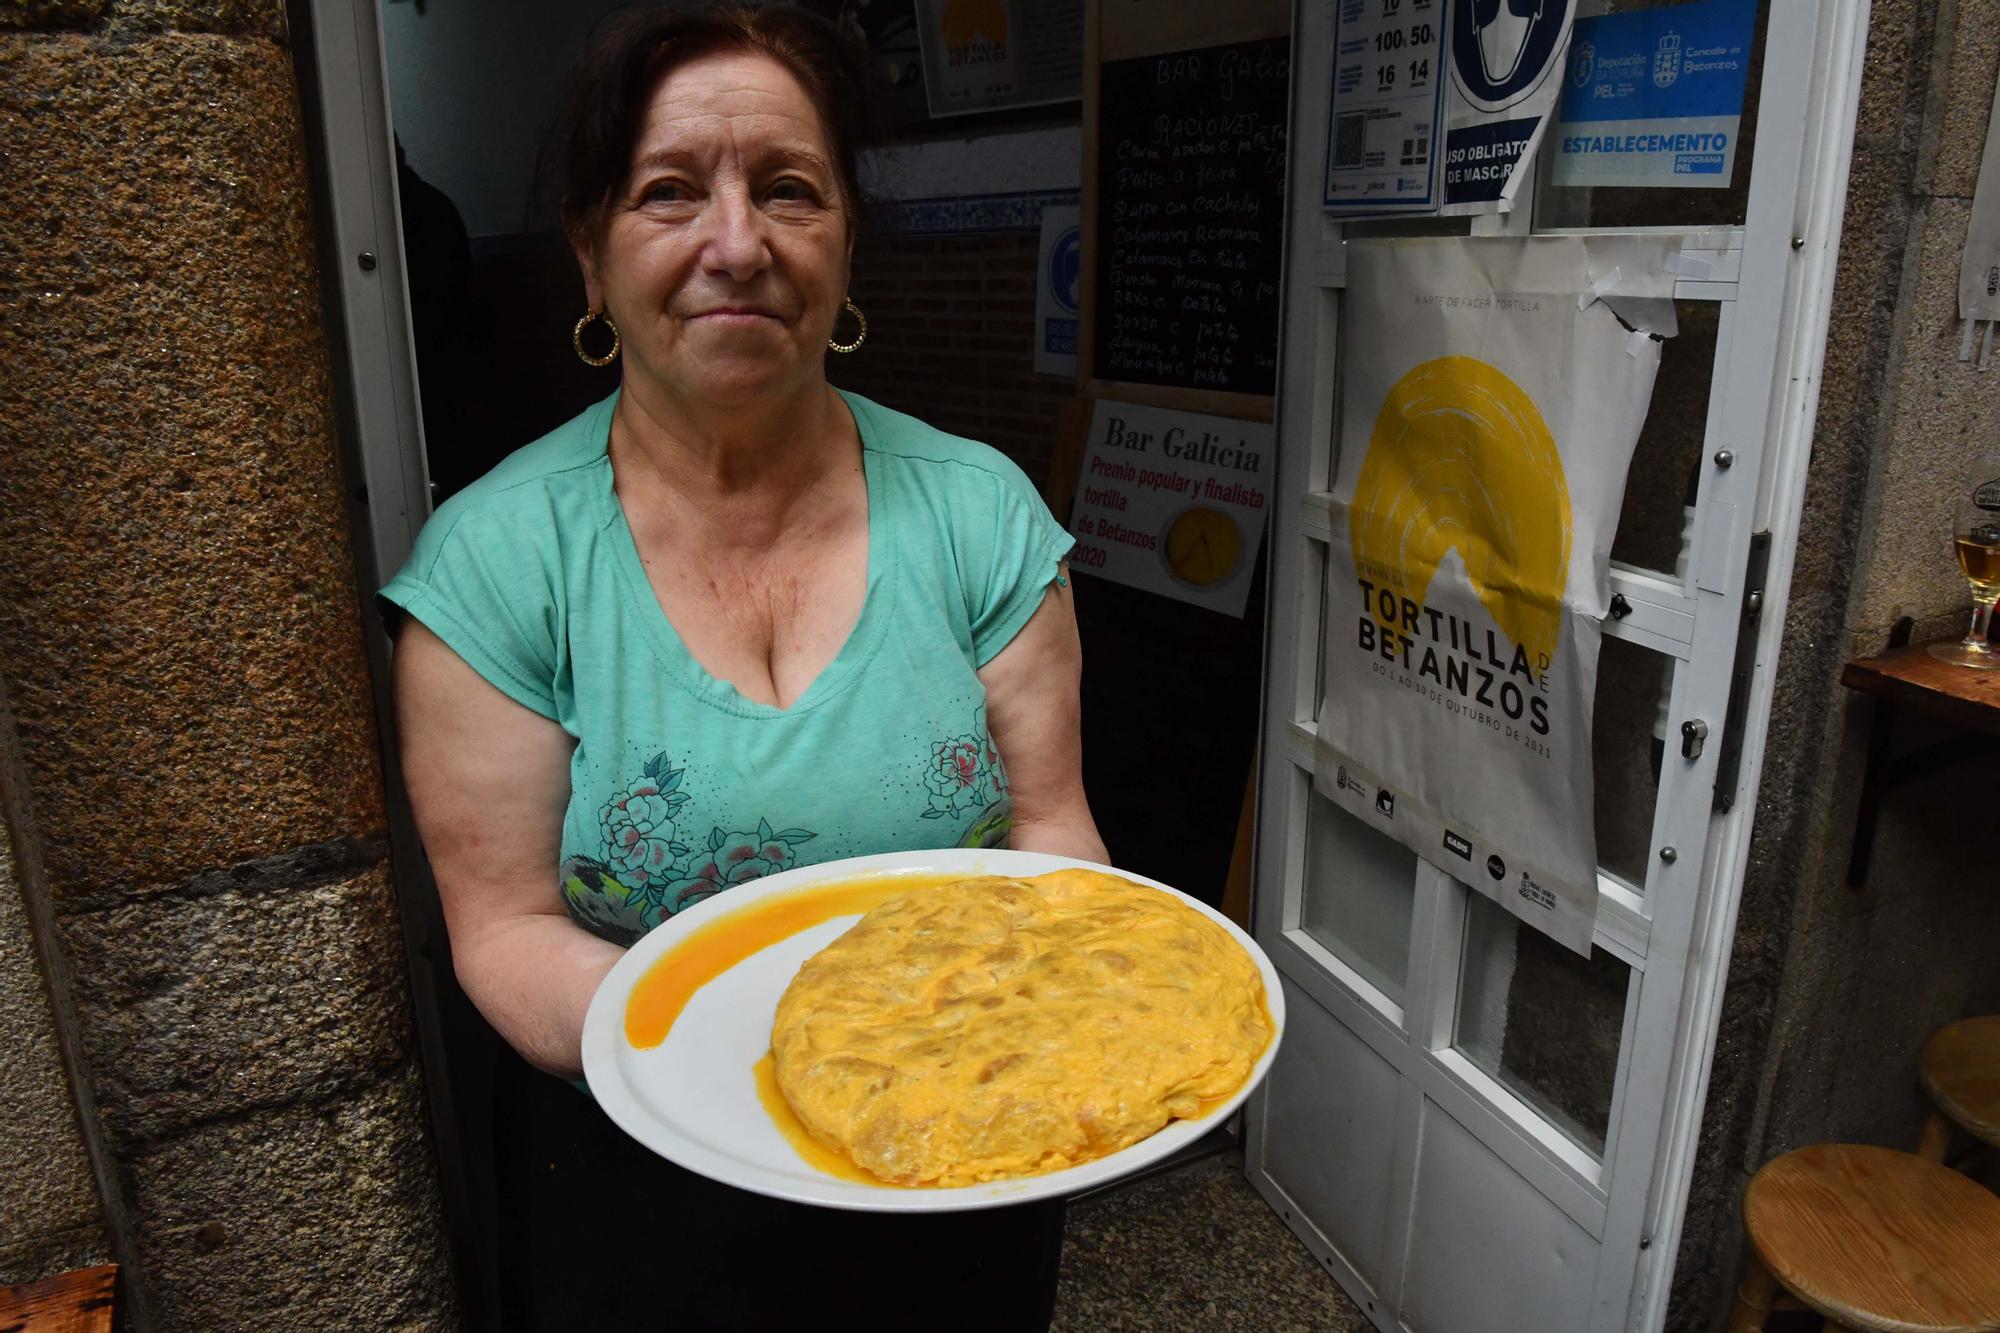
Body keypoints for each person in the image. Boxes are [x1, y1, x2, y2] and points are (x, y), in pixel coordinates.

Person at [380, 6, 1106, 1328]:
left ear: (844, 244)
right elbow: (506, 922)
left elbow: (1054, 829)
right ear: (589, 260)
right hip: (649, 1178)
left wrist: (1031, 1054)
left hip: (960, 1156)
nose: (738, 243)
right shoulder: (495, 561)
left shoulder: (982, 515)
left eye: (789, 190)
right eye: (669, 193)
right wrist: (773, 1070)